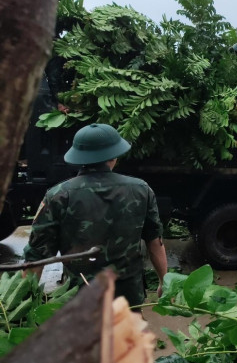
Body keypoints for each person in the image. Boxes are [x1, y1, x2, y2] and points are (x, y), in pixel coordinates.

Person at [23, 123, 168, 310]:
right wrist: (164, 281)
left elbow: (37, 255)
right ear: (114, 156)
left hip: (79, 297)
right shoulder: (141, 190)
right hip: (128, 298)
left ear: (79, 157)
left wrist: (23, 304)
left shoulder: (59, 195)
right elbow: (155, 240)